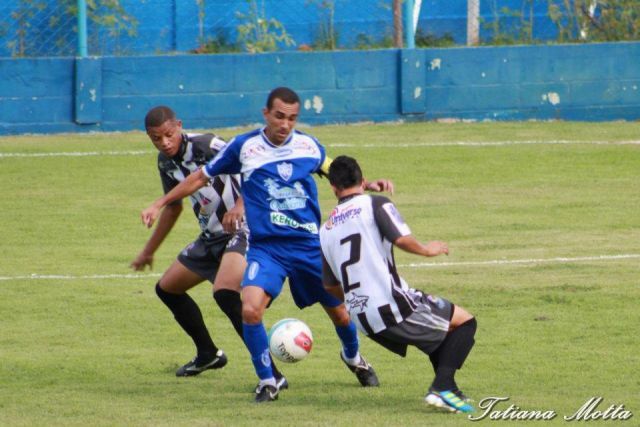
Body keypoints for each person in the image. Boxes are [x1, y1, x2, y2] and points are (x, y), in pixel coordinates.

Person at [141, 87, 393, 402]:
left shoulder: (308, 146)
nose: (285, 124)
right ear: (266, 114)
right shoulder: (244, 146)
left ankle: (353, 358)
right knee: (248, 309)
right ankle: (268, 381)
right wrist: (159, 203)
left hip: (307, 245)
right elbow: (199, 178)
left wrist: (366, 185)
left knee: (341, 314)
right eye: (279, 116)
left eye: (292, 118)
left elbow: (336, 173)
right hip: (265, 247)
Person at [132, 106, 285, 385]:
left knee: (225, 294)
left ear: (179, 125)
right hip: (211, 237)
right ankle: (208, 353)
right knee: (167, 289)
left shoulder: (207, 144)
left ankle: (271, 374)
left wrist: (240, 205)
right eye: (156, 138)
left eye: (169, 134)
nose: (164, 142)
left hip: (245, 228)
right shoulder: (165, 162)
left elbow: (256, 168)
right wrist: (149, 250)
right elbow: (174, 208)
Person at [319, 155, 477, 414]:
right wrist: (427, 250)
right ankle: (443, 387)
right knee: (465, 323)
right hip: (391, 305)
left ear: (333, 188)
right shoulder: (375, 204)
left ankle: (450, 391)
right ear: (362, 178)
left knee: (438, 337)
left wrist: (354, 299)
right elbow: (401, 239)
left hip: (362, 317)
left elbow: (330, 286)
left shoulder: (325, 230)